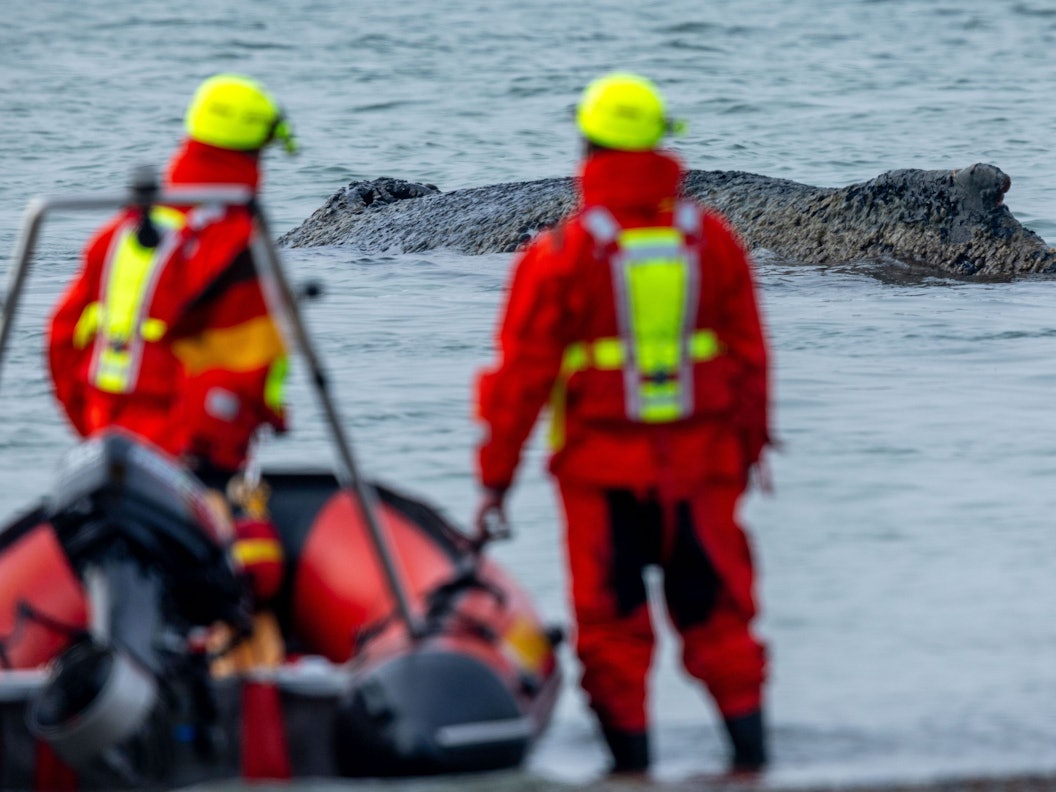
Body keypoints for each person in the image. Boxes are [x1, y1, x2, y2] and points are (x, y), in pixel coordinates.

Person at [473, 72, 772, 775]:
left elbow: (520, 381)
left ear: (587, 146)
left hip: (599, 475)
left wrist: (495, 481)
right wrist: (750, 452)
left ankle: (630, 775)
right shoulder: (713, 242)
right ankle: (754, 767)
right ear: (662, 145)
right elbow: (751, 359)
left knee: (612, 634)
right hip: (702, 468)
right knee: (722, 624)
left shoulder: (560, 255)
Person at [47, 73, 296, 487]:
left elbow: (61, 341)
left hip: (106, 439)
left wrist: (93, 432)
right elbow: (241, 370)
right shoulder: (234, 245)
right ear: (257, 149)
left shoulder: (118, 234)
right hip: (191, 452)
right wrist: (216, 464)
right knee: (250, 527)